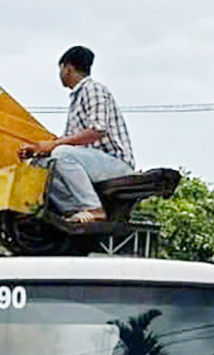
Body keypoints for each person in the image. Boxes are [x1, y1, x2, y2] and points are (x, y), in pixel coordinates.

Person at [18, 45, 134, 227]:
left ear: (68, 68)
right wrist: (38, 150)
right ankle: (72, 209)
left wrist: (53, 146)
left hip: (116, 164)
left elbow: (97, 130)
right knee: (38, 165)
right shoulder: (76, 98)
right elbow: (69, 140)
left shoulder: (93, 89)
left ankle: (94, 209)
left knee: (61, 153)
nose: (60, 74)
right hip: (92, 163)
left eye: (61, 69)